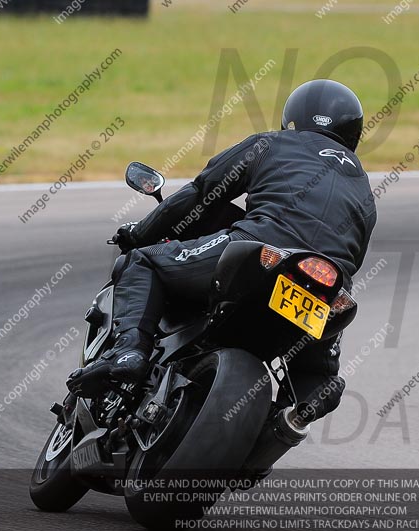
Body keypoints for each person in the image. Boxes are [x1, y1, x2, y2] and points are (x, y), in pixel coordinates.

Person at [67, 79, 377, 422]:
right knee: (318, 377)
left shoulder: (271, 143)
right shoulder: (363, 188)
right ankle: (299, 410)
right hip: (328, 283)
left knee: (143, 263)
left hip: (261, 251)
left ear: (294, 118)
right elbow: (354, 258)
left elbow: (202, 193)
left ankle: (128, 353)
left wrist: (139, 233)